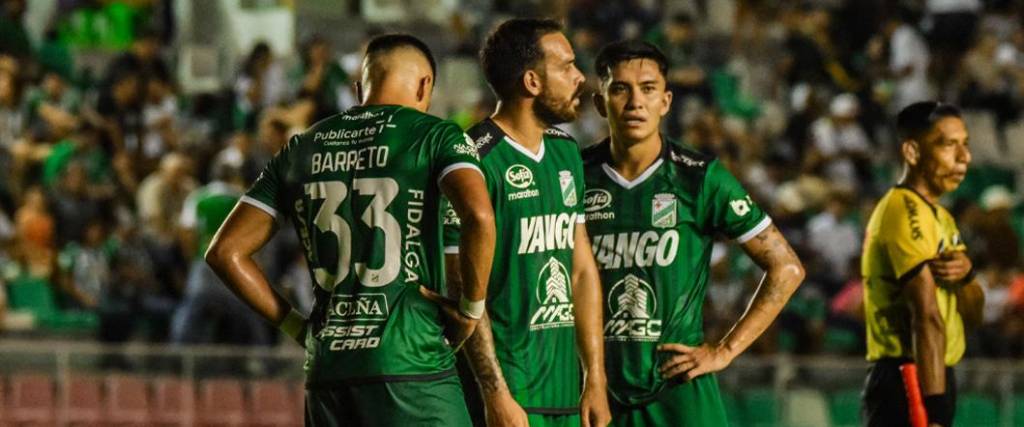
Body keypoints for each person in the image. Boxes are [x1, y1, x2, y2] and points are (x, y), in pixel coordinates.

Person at [205, 34, 496, 426]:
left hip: (328, 371)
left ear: (359, 89)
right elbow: (478, 216)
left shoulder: (301, 147)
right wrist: (470, 311)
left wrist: (296, 327)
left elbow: (225, 252)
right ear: (426, 85)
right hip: (411, 364)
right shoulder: (435, 135)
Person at [582, 40, 805, 426]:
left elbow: (787, 267)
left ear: (666, 102)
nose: (636, 101)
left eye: (648, 89)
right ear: (600, 103)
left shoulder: (699, 177)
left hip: (679, 389)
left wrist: (725, 350)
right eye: (620, 88)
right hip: (594, 387)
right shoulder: (573, 174)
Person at [444, 18, 611, 427]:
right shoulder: (472, 160)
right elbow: (462, 290)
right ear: (533, 82)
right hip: (507, 401)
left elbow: (582, 270)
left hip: (566, 396)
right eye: (567, 67)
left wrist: (594, 378)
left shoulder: (565, 151)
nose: (580, 78)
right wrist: (495, 394)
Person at [861, 101, 985, 427]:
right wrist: (935, 413)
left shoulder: (942, 217)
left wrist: (968, 275)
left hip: (936, 375)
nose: (964, 158)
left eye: (966, 144)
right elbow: (926, 317)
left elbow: (974, 315)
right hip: (908, 380)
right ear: (913, 152)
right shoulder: (902, 211)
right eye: (948, 145)